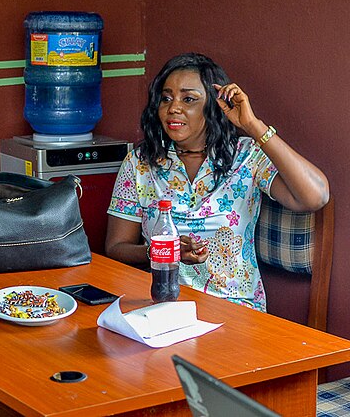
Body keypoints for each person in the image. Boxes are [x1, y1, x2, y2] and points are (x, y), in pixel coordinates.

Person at [104, 52, 329, 311]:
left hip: (234, 310)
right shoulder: (140, 162)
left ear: (213, 105)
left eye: (188, 99)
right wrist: (164, 251)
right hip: (161, 307)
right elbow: (116, 247)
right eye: (166, 98)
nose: (173, 108)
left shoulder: (246, 156)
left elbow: (316, 196)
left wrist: (253, 126)